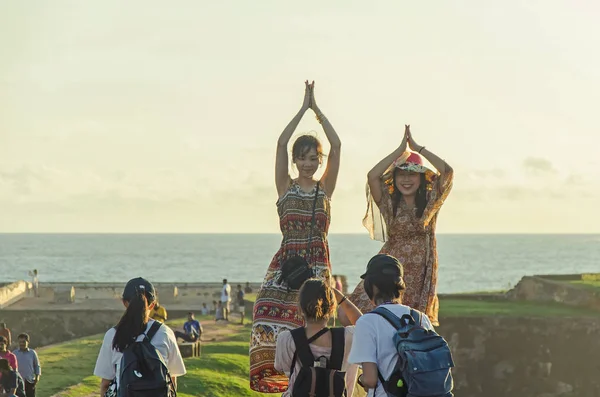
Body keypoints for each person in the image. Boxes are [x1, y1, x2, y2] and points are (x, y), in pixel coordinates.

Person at [250, 80, 342, 393]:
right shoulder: (284, 187)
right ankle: (285, 381)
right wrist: (301, 108)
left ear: (320, 160)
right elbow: (279, 144)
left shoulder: (324, 189)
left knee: (315, 327)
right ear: (295, 160)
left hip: (316, 265)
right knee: (264, 313)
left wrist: (317, 111)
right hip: (286, 263)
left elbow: (338, 146)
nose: (308, 163)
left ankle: (317, 382)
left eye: (313, 158)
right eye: (302, 158)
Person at [348, 125, 453, 326]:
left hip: (420, 268)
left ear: (421, 178)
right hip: (390, 265)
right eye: (401, 174)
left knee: (410, 322)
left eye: (412, 174)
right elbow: (372, 176)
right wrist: (400, 151)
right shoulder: (389, 202)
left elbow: (447, 172)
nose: (406, 179)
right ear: (394, 178)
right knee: (354, 312)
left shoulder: (431, 201)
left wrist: (417, 148)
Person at [348, 254, 435, 396]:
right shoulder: (420, 318)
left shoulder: (367, 322)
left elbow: (370, 380)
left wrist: (361, 379)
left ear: (373, 287)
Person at [93, 277, 186, 396]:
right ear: (152, 305)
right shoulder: (165, 333)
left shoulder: (113, 335)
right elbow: (172, 380)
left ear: (125, 303)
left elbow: (105, 384)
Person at [274, 279, 362, 397]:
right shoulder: (349, 336)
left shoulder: (286, 339)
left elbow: (283, 368)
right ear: (332, 308)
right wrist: (341, 299)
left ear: (300, 308)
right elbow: (365, 326)